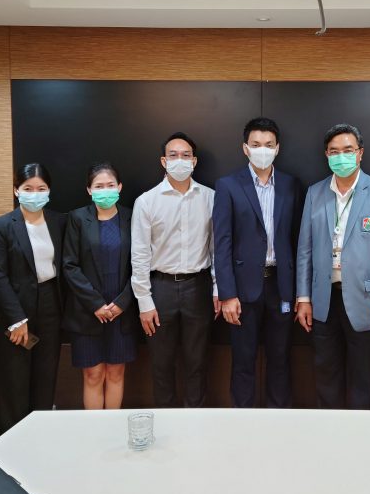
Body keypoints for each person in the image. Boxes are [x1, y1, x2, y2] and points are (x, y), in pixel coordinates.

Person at [295, 123, 370, 409]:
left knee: (364, 376)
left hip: (367, 299)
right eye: (334, 151)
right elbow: (304, 249)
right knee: (325, 372)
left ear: (360, 153)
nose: (341, 156)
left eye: (348, 150)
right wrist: (303, 298)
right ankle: (330, 429)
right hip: (323, 299)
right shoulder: (315, 193)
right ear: (326, 155)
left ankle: (361, 431)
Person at [213, 117, 302, 408]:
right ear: (245, 148)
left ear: (277, 148)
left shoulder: (291, 185)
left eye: (268, 144)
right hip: (242, 289)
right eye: (256, 144)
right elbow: (222, 243)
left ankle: (279, 419)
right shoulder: (227, 185)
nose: (262, 149)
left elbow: (298, 240)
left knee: (280, 359)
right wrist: (227, 294)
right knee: (243, 360)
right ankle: (242, 421)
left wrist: (300, 292)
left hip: (281, 285)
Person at [131, 132, 218, 408]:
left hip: (198, 287)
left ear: (194, 161)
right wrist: (144, 301)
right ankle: (166, 422)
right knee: (161, 364)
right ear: (163, 161)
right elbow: (139, 255)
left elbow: (217, 249)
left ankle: (195, 421)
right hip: (161, 289)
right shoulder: (146, 201)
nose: (179, 160)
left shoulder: (210, 198)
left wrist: (218, 288)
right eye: (173, 155)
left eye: (185, 155)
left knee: (197, 362)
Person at [0, 163, 66, 435]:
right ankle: (10, 444)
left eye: (41, 188)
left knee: (45, 378)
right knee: (14, 382)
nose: (35, 194)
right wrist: (16, 319)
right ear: (16, 190)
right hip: (15, 309)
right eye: (28, 188)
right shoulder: (2, 225)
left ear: (49, 191)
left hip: (51, 305)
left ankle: (38, 438)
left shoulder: (59, 221)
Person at [62, 163, 137, 410]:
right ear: (89, 190)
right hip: (87, 311)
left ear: (120, 187)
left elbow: (140, 264)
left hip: (121, 311)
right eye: (99, 186)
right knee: (93, 374)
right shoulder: (77, 218)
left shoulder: (132, 217)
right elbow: (70, 265)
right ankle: (94, 429)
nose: (105, 190)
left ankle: (112, 428)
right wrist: (95, 304)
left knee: (116, 372)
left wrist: (122, 303)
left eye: (110, 185)